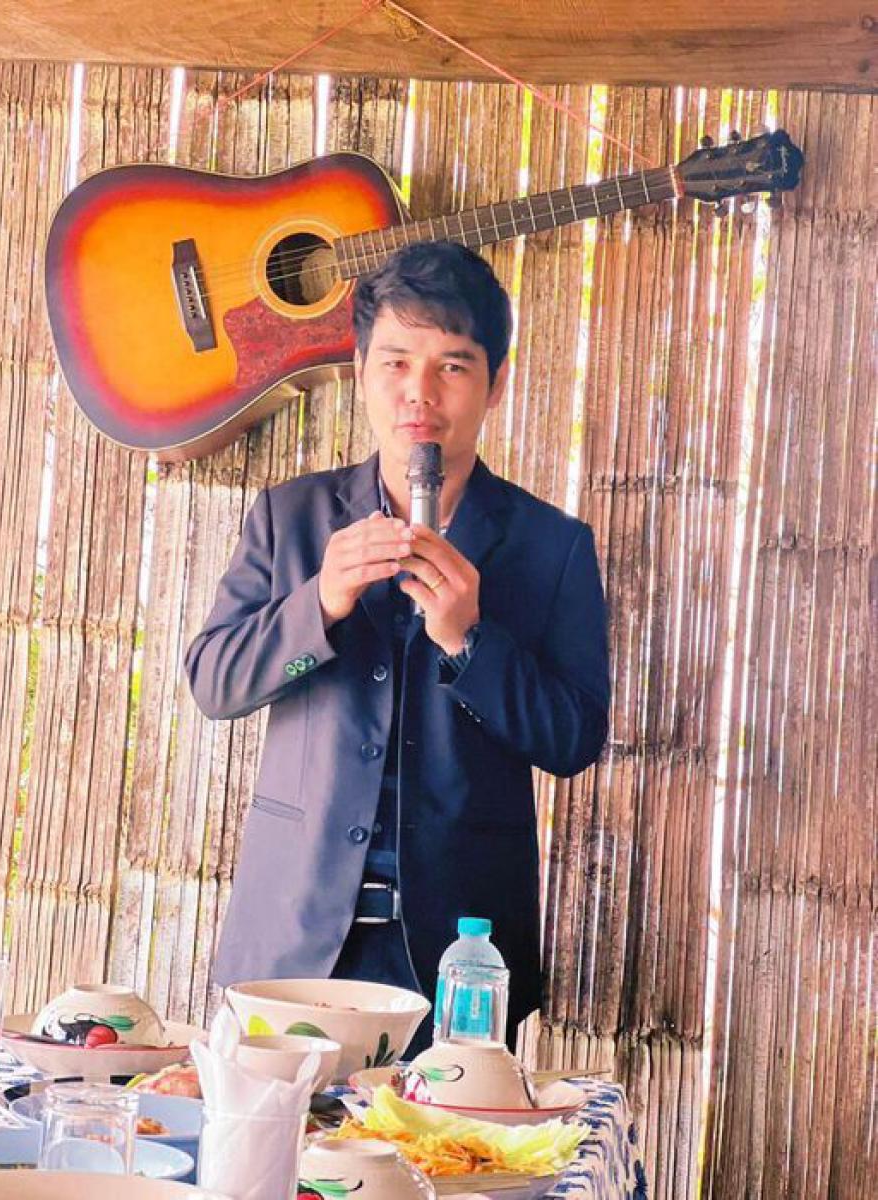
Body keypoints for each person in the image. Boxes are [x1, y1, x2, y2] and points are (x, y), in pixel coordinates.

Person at [185, 241, 610, 1052]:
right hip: (292, 937)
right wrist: (321, 602)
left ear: (496, 383)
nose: (421, 392)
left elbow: (573, 739)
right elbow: (214, 681)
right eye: (396, 362)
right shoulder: (290, 517)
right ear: (359, 370)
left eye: (453, 365)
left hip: (459, 956)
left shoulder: (553, 546)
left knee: (433, 1140)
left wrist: (469, 641)